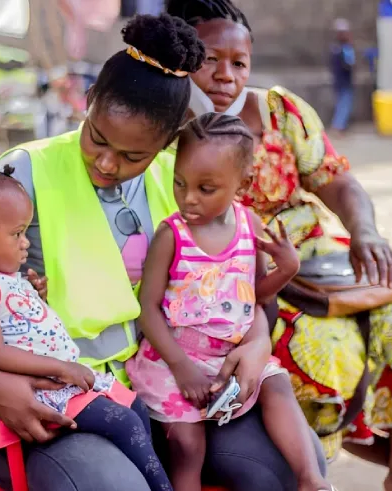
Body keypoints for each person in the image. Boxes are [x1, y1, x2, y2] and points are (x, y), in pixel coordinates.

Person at [0, 13, 327, 491]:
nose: (106, 162)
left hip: (166, 387)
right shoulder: (23, 175)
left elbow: (243, 282)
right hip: (54, 395)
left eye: (132, 156)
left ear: (167, 142)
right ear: (89, 101)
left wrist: (256, 344)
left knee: (286, 464)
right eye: (97, 138)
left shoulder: (183, 184)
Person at [166, 1, 392, 490]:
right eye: (210, 60)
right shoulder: (166, 123)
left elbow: (337, 180)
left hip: (316, 262)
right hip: (235, 281)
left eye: (239, 62)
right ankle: (308, 467)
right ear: (182, 57)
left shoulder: (279, 110)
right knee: (321, 348)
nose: (226, 75)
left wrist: (365, 231)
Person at [0, 158, 172, 490]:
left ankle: (150, 479)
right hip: (31, 394)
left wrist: (33, 298)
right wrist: (61, 368)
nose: (25, 242)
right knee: (124, 422)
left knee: (134, 408)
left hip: (50, 385)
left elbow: (18, 329)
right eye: (17, 233)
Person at [127, 113, 332, 491]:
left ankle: (311, 480)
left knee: (277, 384)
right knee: (188, 446)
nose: (188, 197)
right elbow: (148, 309)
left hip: (231, 356)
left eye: (206, 189)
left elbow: (255, 294)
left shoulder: (249, 225)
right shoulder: (172, 235)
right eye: (179, 182)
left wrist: (287, 269)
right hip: (175, 360)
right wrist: (181, 367)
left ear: (244, 184)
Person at [329, 19, 356, 136]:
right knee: (343, 105)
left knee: (342, 104)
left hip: (339, 81)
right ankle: (338, 126)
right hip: (344, 81)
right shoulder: (344, 49)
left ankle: (339, 126)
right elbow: (349, 64)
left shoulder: (335, 48)